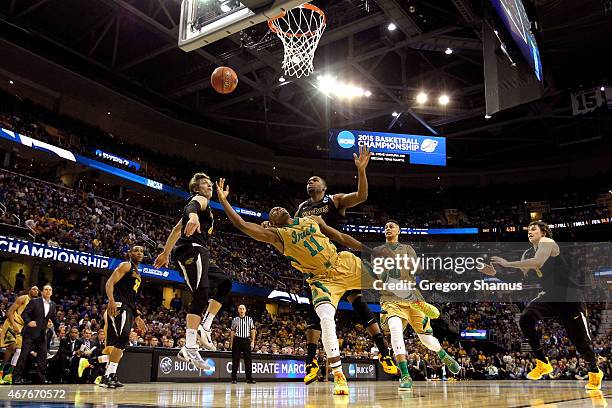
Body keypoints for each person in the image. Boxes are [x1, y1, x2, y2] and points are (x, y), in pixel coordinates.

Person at [215, 178, 386, 395]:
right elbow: (241, 224)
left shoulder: (310, 219)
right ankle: (338, 376)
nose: (277, 208)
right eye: (273, 211)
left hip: (341, 262)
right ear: (273, 223)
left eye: (279, 206)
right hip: (321, 279)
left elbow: (340, 236)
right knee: (325, 319)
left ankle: (417, 303)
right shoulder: (276, 236)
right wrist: (223, 201)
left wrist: (368, 250)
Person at [482, 221, 604, 390]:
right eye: (528, 229)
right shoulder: (527, 253)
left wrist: (508, 263)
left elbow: (538, 262)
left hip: (569, 297)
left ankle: (594, 372)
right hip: (549, 296)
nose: (529, 231)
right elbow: (518, 279)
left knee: (581, 343)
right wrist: (496, 274)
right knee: (525, 318)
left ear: (544, 232)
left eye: (534, 229)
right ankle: (542, 362)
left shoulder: (547, 243)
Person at [154, 172, 232, 369]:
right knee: (201, 293)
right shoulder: (198, 200)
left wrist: (165, 253)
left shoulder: (204, 206)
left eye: (210, 184)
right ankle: (189, 347)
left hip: (199, 251)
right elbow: (192, 206)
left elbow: (175, 230)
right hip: (190, 250)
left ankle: (205, 327)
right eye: (205, 184)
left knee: (225, 283)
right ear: (196, 188)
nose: (209, 187)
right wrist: (194, 216)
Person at [374, 220, 460, 390]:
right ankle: (405, 375)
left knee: (426, 340)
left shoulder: (407, 249)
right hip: (390, 296)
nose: (388, 228)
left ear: (399, 230)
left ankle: (443, 355)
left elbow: (417, 268)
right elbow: (378, 274)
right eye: (385, 227)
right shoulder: (377, 251)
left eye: (391, 226)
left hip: (412, 296)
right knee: (395, 327)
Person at [99, 245, 147, 388]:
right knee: (124, 338)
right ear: (129, 253)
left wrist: (137, 316)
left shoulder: (137, 272)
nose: (139, 253)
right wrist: (111, 301)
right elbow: (109, 282)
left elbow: (131, 298)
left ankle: (107, 375)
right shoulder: (126, 266)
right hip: (119, 306)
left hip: (128, 307)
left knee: (120, 342)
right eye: (136, 251)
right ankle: (110, 375)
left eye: (141, 251)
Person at [12, 284, 56, 384]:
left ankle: (40, 378)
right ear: (42, 292)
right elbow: (24, 314)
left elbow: (54, 318)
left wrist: (59, 327)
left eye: (50, 290)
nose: (48, 291)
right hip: (30, 333)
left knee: (42, 356)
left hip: (41, 334)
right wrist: (28, 322)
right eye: (46, 289)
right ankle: (16, 378)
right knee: (24, 355)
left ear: (52, 292)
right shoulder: (35, 301)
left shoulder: (53, 304)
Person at [0, 286, 38, 384]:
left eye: (37, 290)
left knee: (19, 351)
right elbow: (9, 312)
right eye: (34, 289)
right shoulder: (23, 298)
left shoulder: (36, 304)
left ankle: (9, 375)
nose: (36, 291)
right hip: (11, 323)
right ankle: (0, 372)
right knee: (12, 347)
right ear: (29, 290)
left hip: (22, 327)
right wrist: (14, 325)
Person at [230, 304, 256, 384]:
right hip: (237, 340)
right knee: (235, 360)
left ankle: (249, 378)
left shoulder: (249, 319)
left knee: (248, 360)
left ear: (245, 310)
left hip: (246, 340)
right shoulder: (235, 319)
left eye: (243, 308)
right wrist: (231, 342)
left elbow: (252, 330)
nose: (241, 310)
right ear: (238, 310)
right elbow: (232, 331)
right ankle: (234, 378)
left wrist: (252, 341)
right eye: (240, 308)